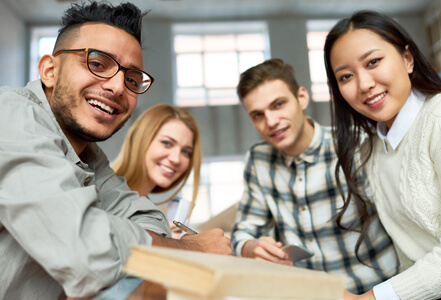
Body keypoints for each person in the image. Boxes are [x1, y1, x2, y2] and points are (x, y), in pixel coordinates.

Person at [0, 1, 230, 299]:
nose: (118, 87)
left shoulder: (91, 159)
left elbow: (152, 224)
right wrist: (190, 247)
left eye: (132, 79)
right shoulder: (10, 115)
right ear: (49, 70)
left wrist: (117, 238)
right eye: (97, 63)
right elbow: (84, 250)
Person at [324, 10, 441, 300]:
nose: (364, 84)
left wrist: (371, 298)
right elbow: (410, 257)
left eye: (373, 62)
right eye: (346, 76)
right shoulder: (372, 149)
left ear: (407, 59)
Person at [231, 58, 399, 294]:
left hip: (373, 292)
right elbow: (243, 232)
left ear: (302, 97)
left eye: (278, 105)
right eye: (258, 115)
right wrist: (251, 247)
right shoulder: (259, 160)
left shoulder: (353, 144)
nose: (271, 121)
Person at [112, 103, 202, 232]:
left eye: (186, 152)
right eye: (166, 143)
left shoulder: (148, 212)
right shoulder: (99, 192)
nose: (176, 159)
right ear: (141, 139)